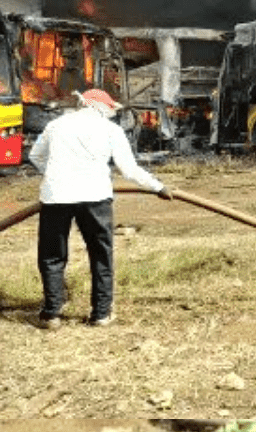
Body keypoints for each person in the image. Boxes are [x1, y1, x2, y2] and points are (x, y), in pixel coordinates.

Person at [28, 88, 174, 329]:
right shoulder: (111, 130)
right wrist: (158, 187)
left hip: (56, 197)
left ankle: (52, 314)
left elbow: (35, 156)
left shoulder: (56, 125)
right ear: (103, 108)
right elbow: (129, 169)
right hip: (95, 197)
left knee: (52, 255)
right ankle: (101, 314)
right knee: (100, 255)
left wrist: (58, 175)